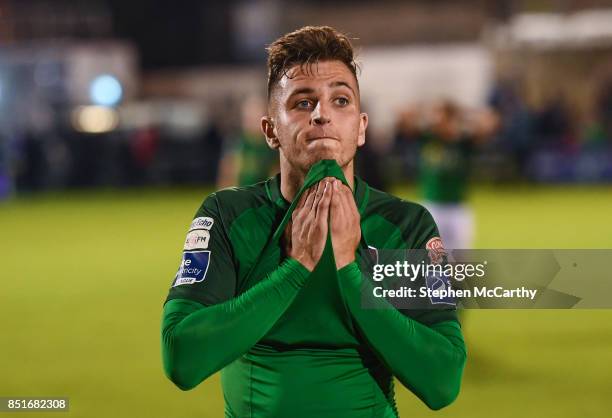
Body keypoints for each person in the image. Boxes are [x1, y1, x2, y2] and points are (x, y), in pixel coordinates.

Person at [161, 26, 466, 417]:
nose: (322, 114)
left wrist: (350, 271)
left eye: (340, 100)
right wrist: (296, 267)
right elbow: (182, 359)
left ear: (361, 128)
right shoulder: (228, 216)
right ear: (270, 130)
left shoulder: (404, 226)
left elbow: (443, 381)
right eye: (303, 103)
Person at [395, 101, 498, 249]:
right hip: (432, 205)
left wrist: (468, 115)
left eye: (446, 118)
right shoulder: (427, 138)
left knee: (460, 255)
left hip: (457, 207)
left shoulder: (463, 143)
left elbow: (489, 125)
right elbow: (404, 119)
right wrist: (421, 113)